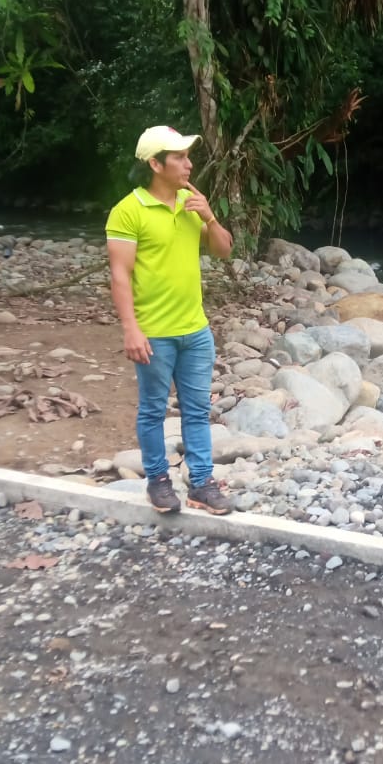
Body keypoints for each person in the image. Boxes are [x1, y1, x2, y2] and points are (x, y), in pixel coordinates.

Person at [105, 125, 234, 515]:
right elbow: (120, 275)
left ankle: (202, 484)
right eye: (179, 157)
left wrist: (210, 217)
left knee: (197, 411)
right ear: (155, 164)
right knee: (153, 410)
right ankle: (158, 481)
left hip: (195, 330)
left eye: (187, 156)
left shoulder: (191, 203)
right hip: (155, 333)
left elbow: (224, 251)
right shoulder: (128, 211)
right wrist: (131, 329)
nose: (188, 164)